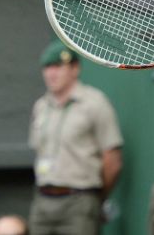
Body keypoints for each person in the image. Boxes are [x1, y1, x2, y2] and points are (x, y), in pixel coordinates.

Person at [28, 40, 124, 235]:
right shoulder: (41, 106)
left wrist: (95, 196)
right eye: (47, 67)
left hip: (79, 199)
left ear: (75, 68)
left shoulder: (95, 103)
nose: (51, 73)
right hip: (43, 198)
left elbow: (112, 161)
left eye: (57, 66)